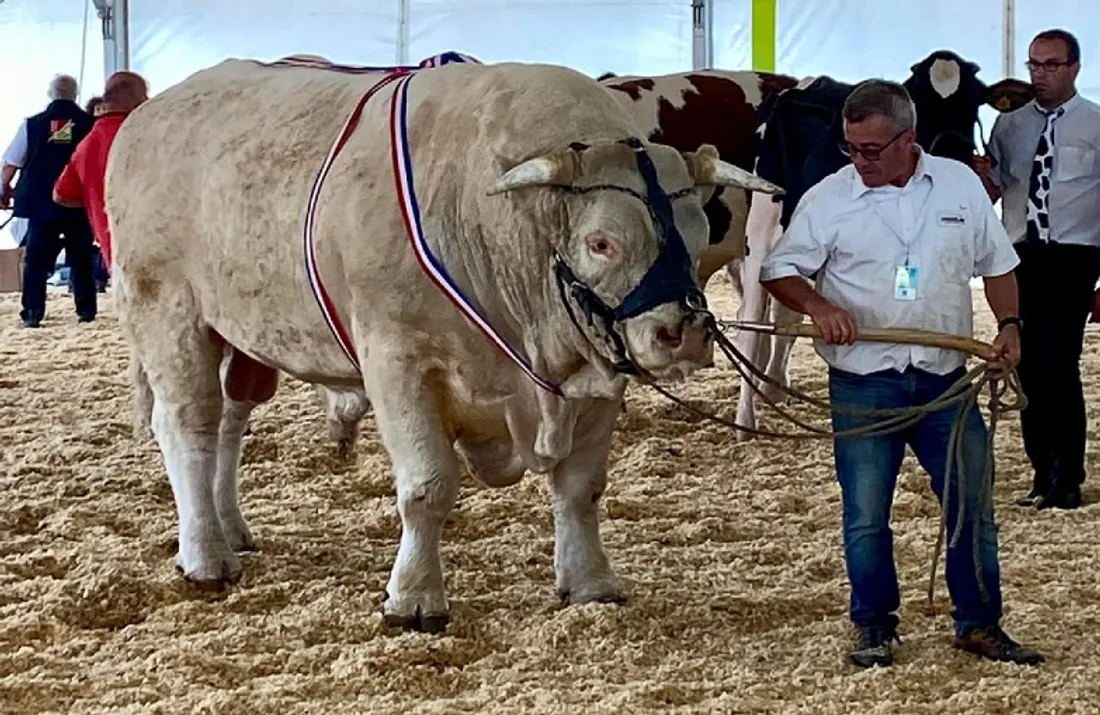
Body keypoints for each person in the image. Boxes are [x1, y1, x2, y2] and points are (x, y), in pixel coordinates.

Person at [759, 79, 1045, 668]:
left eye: (871, 149)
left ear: (908, 140)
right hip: (865, 382)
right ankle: (873, 626)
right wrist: (817, 306)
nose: (859, 161)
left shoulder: (961, 184)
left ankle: (980, 624)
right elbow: (778, 269)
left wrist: (1010, 324)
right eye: (850, 148)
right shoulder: (828, 198)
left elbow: (998, 265)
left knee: (971, 505)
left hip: (948, 380)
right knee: (866, 515)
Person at [975, 29, 1100, 511]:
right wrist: (982, 174)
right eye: (1034, 65)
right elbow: (999, 188)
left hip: (1074, 254)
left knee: (1059, 363)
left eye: (1051, 65)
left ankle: (1067, 475)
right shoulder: (1009, 125)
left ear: (1074, 67)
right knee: (1024, 360)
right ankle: (1040, 471)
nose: (1040, 75)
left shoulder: (1094, 123)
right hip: (1020, 254)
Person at [1, 74, 97, 327]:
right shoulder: (91, 124)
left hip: (41, 205)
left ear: (50, 94)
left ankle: (33, 312)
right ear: (75, 95)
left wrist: (4, 190)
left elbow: (10, 163)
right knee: (82, 257)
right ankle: (86, 312)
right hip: (78, 203)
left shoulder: (32, 125)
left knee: (36, 260)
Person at [53, 71, 149, 274]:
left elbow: (60, 195)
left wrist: (94, 200)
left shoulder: (86, 145)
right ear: (129, 97)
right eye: (143, 96)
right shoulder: (148, 134)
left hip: (115, 253)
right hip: (159, 246)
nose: (146, 102)